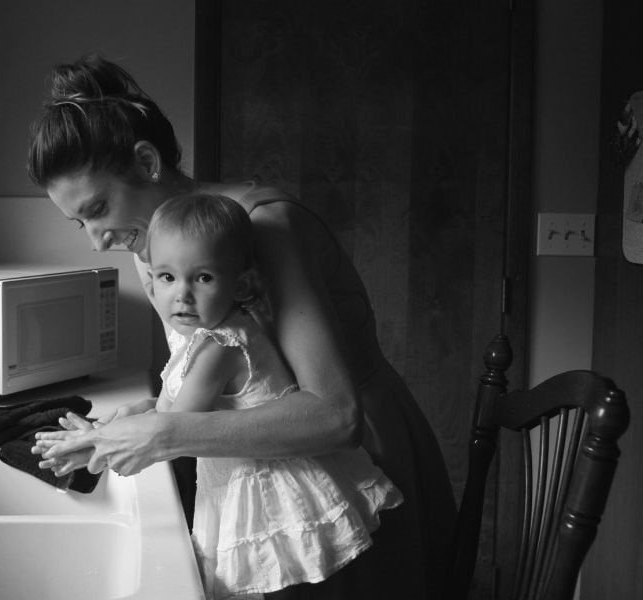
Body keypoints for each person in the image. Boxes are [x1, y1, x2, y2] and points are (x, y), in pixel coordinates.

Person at [28, 54, 456, 599]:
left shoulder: (265, 227)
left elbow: (334, 414)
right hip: (261, 478)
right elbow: (223, 376)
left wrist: (163, 434)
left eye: (99, 208)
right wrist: (125, 424)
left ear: (145, 160)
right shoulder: (153, 248)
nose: (95, 238)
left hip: (356, 470)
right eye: (79, 222)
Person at [144, 192, 403, 599]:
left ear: (241, 283)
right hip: (263, 481)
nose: (182, 294)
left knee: (274, 584)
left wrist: (100, 435)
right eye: (166, 277)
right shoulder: (214, 331)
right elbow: (167, 407)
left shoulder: (219, 346)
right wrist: (132, 412)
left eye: (203, 277)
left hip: (270, 494)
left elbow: (175, 426)